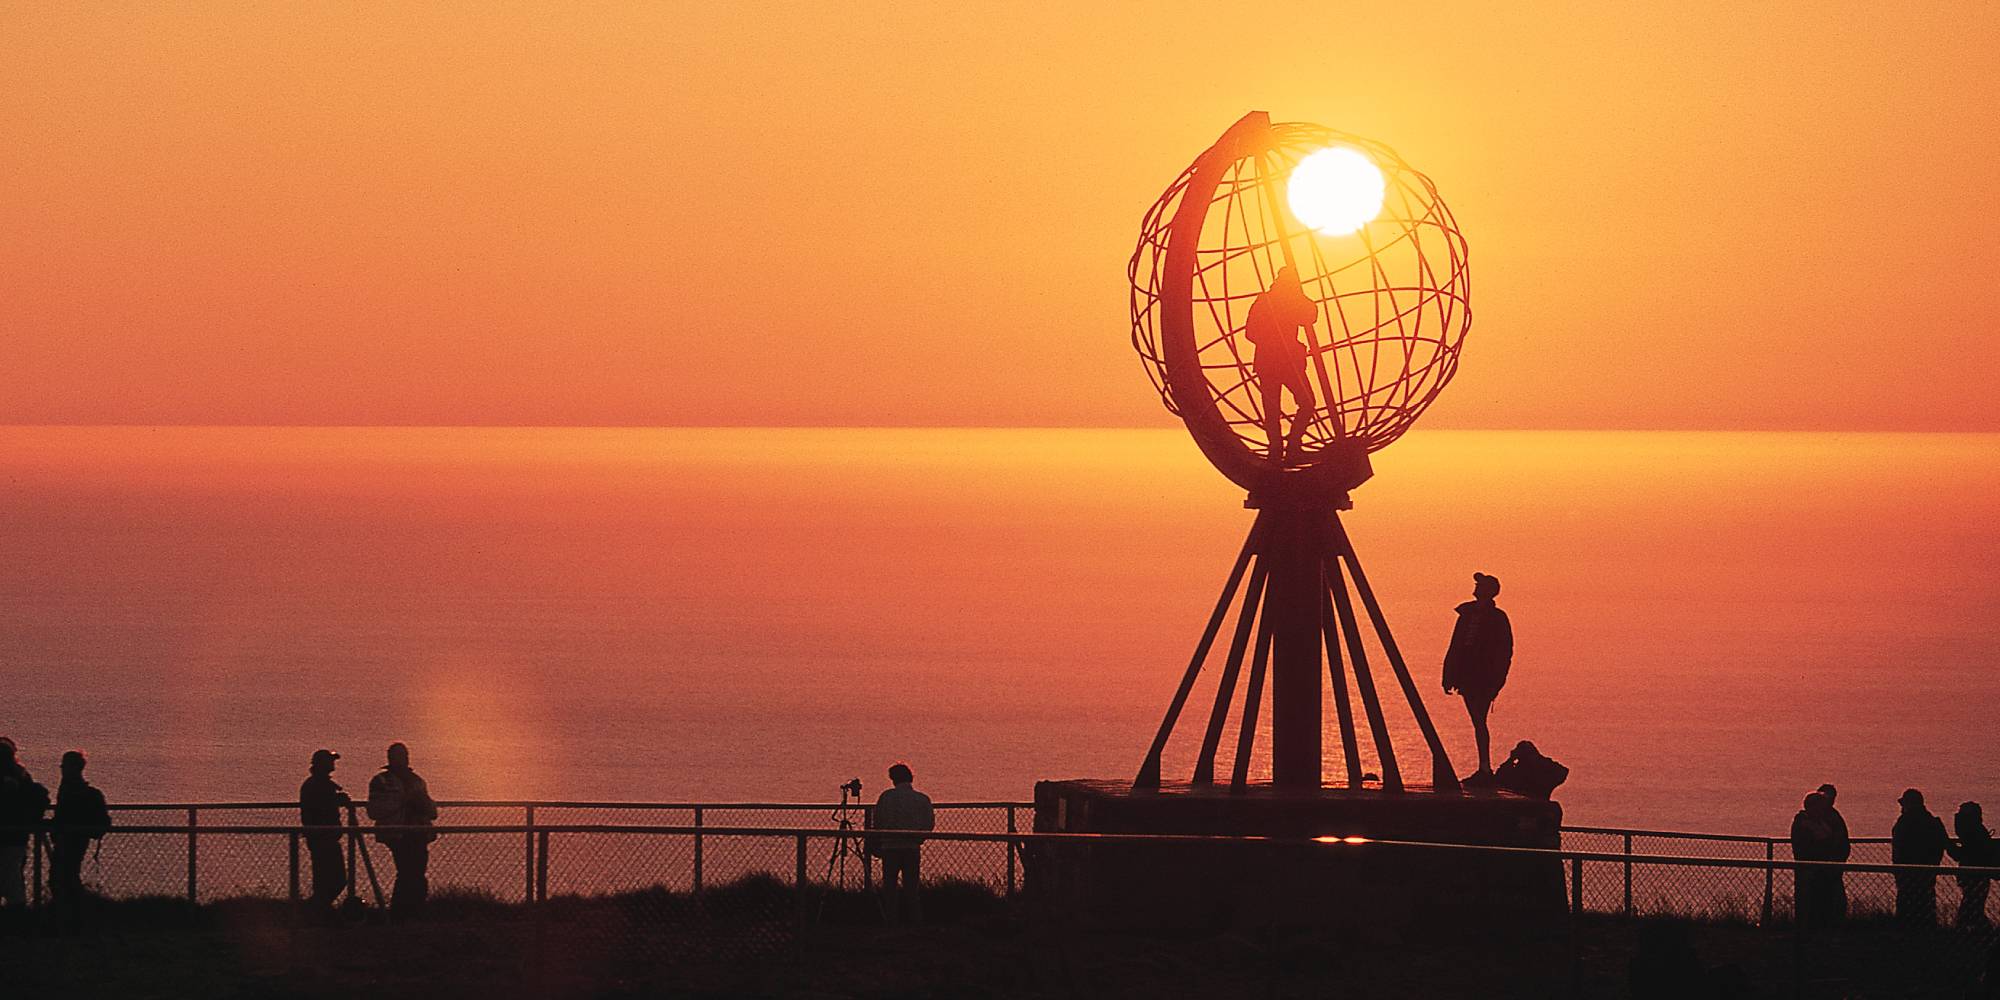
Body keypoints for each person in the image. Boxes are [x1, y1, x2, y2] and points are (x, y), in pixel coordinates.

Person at [1244, 266, 1319, 464]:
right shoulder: (1277, 302)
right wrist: (1275, 342)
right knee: (1303, 404)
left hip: (1277, 363)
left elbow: (1310, 316)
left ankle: (1283, 449)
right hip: (1281, 363)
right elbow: (1251, 332)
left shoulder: (1279, 301)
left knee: (1286, 407)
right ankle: (1285, 449)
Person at [1442, 572, 1513, 780]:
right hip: (1467, 676)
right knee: (1478, 721)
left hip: (1483, 678)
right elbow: (1455, 646)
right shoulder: (1467, 614)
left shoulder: (1497, 618)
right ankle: (1484, 767)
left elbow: (1504, 652)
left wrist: (1497, 682)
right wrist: (1448, 675)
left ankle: (1484, 768)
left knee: (1479, 721)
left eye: (1479, 585)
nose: (1475, 586)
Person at [366, 742, 438, 918]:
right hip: (398, 833)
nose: (403, 758)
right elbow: (375, 810)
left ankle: (413, 911)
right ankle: (401, 913)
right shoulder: (382, 781)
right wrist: (405, 801)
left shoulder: (416, 780)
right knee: (408, 872)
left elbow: (431, 809)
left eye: (404, 755)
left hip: (418, 832)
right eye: (399, 755)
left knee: (417, 872)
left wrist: (423, 806)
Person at [867, 762, 934, 924]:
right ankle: (915, 921)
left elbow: (878, 821)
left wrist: (879, 841)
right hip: (912, 847)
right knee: (912, 888)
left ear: (893, 779)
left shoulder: (886, 797)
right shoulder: (922, 799)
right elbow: (929, 823)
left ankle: (890, 920)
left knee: (889, 888)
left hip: (890, 846)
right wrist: (918, 838)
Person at [49, 750, 111, 919]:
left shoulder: (70, 788)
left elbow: (66, 814)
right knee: (65, 875)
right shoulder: (71, 787)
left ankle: (71, 915)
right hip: (73, 837)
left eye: (65, 766)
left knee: (62, 877)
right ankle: (72, 913)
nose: (62, 770)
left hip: (72, 838)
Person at [0, 737, 51, 914]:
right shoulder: (22, 777)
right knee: (13, 877)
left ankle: (16, 916)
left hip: (12, 837)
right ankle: (17, 914)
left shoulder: (17, 779)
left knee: (12, 877)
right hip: (17, 838)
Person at [299, 748, 352, 916]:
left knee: (328, 881)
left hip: (322, 838)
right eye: (330, 761)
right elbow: (321, 808)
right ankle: (314, 911)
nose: (333, 764)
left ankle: (317, 911)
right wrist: (336, 800)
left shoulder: (318, 784)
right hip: (323, 839)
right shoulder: (317, 785)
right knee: (335, 880)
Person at [1789, 790, 1849, 927]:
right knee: (1812, 904)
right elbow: (1811, 847)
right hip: (1812, 871)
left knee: (1823, 903)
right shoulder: (1806, 824)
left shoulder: (1822, 822)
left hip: (1822, 871)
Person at [1891, 787, 1948, 928]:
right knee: (1926, 904)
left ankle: (1907, 933)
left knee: (1906, 906)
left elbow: (1900, 846)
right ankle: (1925, 932)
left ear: (1910, 804)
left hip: (1907, 873)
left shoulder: (1905, 822)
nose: (1902, 808)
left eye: (1904, 804)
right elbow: (1943, 844)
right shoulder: (1933, 823)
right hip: (1927, 873)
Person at [1948, 801, 1996, 930]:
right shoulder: (1976, 832)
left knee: (1971, 910)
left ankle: (1981, 935)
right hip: (1975, 877)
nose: (1957, 818)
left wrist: (1947, 844)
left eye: (1960, 816)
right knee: (1973, 909)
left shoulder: (1974, 833)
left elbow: (1963, 854)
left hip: (1975, 877)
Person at [1493, 740, 1568, 800]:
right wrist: (1539, 758)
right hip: (1527, 804)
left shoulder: (1520, 772)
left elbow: (1499, 778)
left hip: (1531, 804)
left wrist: (1510, 760)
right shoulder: (1541, 772)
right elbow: (1499, 778)